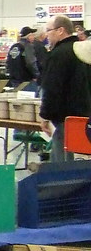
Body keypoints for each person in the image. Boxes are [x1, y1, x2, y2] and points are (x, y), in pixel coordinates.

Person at [39, 15, 91, 163]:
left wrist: (45, 115)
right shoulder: (84, 51)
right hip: (85, 118)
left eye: (48, 31)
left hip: (65, 119)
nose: (46, 35)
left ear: (60, 30)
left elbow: (52, 88)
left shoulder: (58, 55)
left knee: (62, 166)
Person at [6, 26, 40, 91]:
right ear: (28, 36)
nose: (33, 37)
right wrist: (36, 75)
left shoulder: (14, 46)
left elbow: (8, 62)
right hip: (26, 80)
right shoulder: (27, 46)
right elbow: (31, 62)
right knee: (30, 100)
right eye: (32, 35)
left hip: (14, 80)